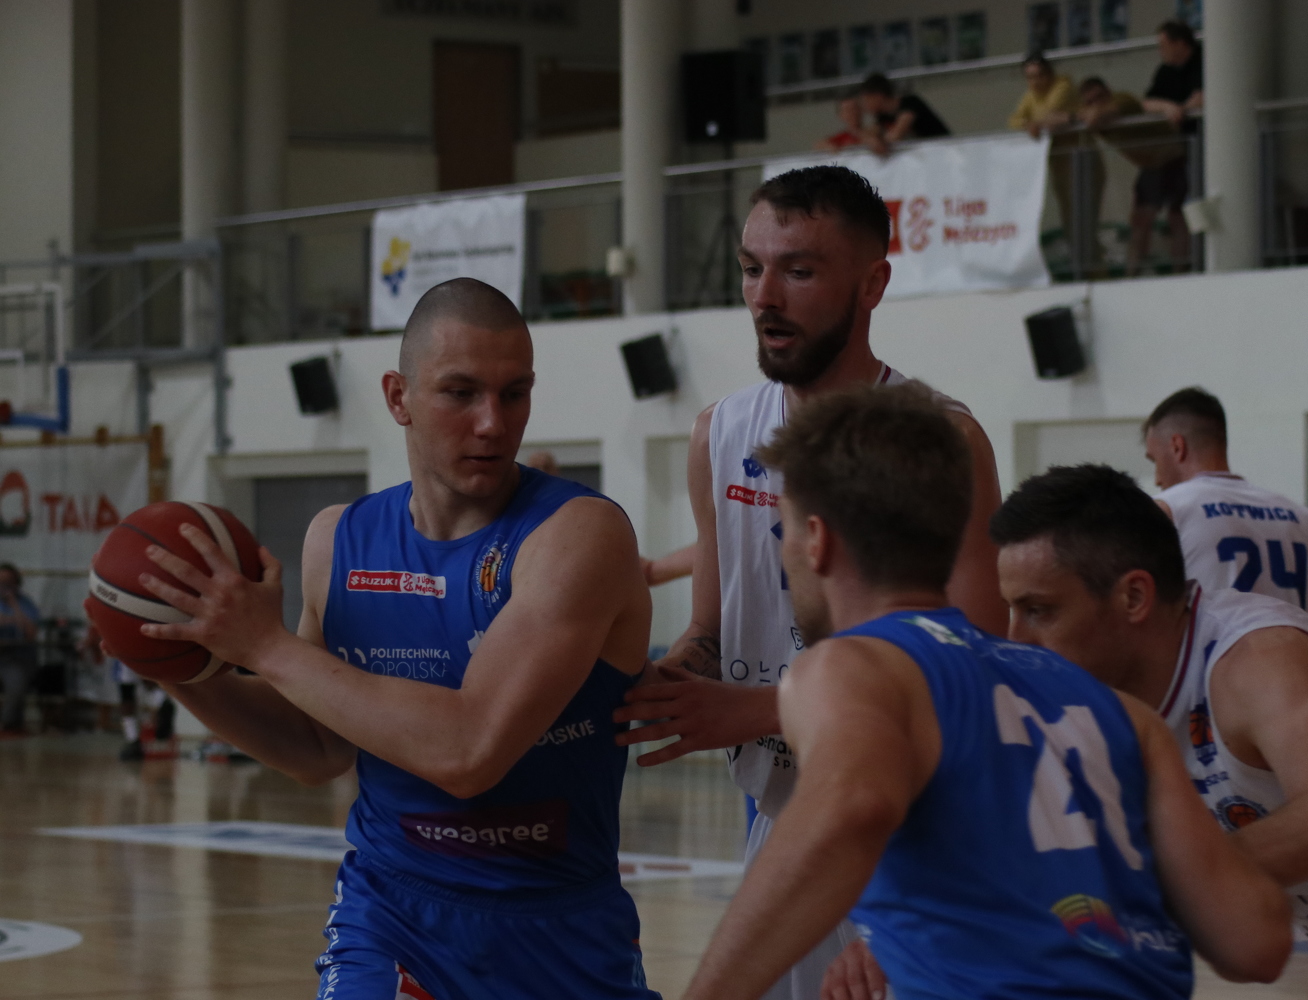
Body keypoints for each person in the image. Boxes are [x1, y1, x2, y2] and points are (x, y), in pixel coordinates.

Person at [134, 278, 659, 1000]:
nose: (492, 423)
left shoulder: (578, 535)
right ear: (397, 396)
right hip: (391, 913)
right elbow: (318, 747)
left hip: (559, 929)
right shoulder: (337, 540)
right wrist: (169, 654)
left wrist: (266, 647)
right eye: (461, 392)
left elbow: (469, 752)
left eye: (514, 394)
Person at [681, 384, 1291, 1000]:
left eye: (783, 534)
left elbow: (853, 808)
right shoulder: (1122, 715)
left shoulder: (850, 666)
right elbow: (1256, 939)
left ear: (817, 540)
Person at [615, 165, 1006, 1000]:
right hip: (784, 810)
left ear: (872, 285)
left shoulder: (943, 439)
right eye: (751, 268)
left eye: (798, 270)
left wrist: (758, 710)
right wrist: (672, 680)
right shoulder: (720, 433)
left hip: (913, 825)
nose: (765, 296)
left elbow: (974, 672)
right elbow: (711, 628)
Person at [992, 464, 1308, 1000]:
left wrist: (1139, 883)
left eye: (1039, 610)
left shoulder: (1259, 657)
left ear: (1134, 597)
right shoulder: (1108, 712)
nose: (1015, 638)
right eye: (1012, 611)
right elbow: (1250, 950)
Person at [1144, 387, 1308, 686]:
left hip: (1217, 701)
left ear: (1177, 446)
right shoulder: (1303, 518)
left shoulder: (1167, 511)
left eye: (1154, 460)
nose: (1157, 478)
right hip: (1302, 699)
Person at [1076, 76, 1187, 275]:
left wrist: (1087, 113)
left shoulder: (1122, 101)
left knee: (1177, 218)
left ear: (1108, 93)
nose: (1097, 103)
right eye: (1090, 101)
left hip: (1173, 159)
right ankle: (1132, 274)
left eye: (1100, 97)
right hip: (1151, 166)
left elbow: (1098, 117)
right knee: (1140, 221)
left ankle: (1181, 271)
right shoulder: (1094, 113)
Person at [1009, 54, 1103, 275]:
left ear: (1050, 74)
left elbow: (1049, 114)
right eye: (1030, 78)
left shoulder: (1063, 86)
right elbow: (1014, 121)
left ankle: (1097, 272)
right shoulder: (1031, 95)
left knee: (1084, 222)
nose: (1035, 82)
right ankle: (1083, 270)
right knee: (1070, 222)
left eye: (1040, 76)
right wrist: (1031, 123)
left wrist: (1035, 123)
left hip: (1082, 162)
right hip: (1061, 166)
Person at [1132, 20, 1202, 273]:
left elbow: (1204, 96)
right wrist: (1167, 107)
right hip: (1165, 150)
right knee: (1143, 211)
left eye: (1163, 45)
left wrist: (1183, 110)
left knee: (1180, 213)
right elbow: (1146, 103)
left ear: (1179, 43)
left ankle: (1181, 269)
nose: (1160, 50)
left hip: (1193, 149)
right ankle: (1133, 271)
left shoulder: (1203, 61)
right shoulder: (1165, 71)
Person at [856, 73, 949, 156]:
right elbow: (870, 135)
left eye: (867, 99)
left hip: (942, 149)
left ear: (878, 96)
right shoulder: (882, 116)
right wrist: (870, 139)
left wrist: (877, 142)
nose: (865, 105)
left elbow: (895, 136)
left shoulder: (910, 104)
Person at [0, 562, 39, 735]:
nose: (3, 587)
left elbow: (30, 634)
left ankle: (8, 725)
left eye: (8, 582)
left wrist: (13, 605)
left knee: (15, 684)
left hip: (16, 658)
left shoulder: (25, 604)